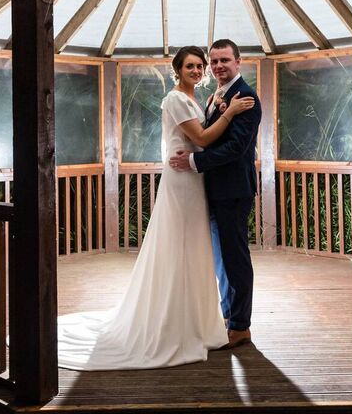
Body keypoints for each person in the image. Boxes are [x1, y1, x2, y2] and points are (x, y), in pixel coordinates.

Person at [56, 45, 255, 371]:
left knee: (195, 248)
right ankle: (176, 319)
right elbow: (203, 139)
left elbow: (210, 138)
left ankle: (196, 317)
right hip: (183, 180)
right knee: (179, 246)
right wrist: (229, 112)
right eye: (190, 66)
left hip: (195, 180)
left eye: (200, 65)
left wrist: (222, 109)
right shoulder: (176, 99)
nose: (197, 70)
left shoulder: (198, 99)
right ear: (176, 70)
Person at [169, 39, 262, 350]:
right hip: (215, 188)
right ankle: (226, 314)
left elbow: (236, 148)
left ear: (238, 62)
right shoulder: (219, 96)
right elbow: (209, 133)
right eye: (215, 61)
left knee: (235, 258)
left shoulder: (246, 97)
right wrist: (220, 109)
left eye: (225, 60)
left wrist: (194, 161)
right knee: (222, 258)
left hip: (234, 188)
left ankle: (240, 326)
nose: (219, 66)